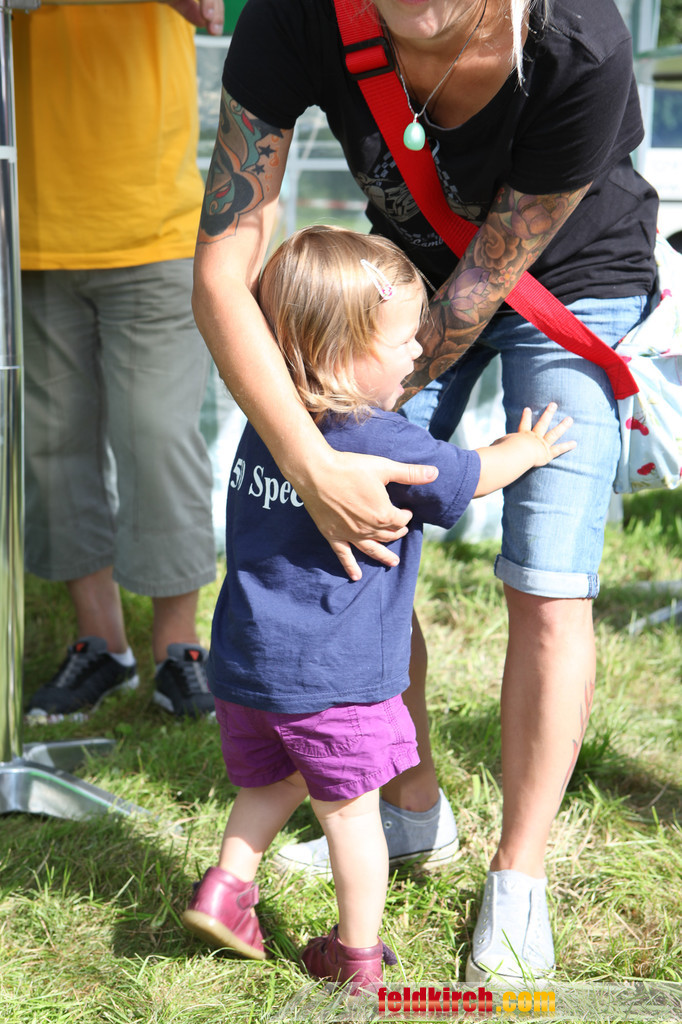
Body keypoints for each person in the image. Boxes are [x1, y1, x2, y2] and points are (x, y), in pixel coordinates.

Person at [191, 0, 658, 985]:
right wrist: (313, 460)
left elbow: (489, 279)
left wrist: (378, 423)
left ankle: (518, 876)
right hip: (394, 294)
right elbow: (224, 269)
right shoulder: (294, 16)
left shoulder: (580, 40)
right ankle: (405, 809)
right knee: (340, 531)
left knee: (547, 577)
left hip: (568, 284)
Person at [182, 225, 575, 994]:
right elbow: (469, 476)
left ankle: (226, 889)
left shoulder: (271, 428)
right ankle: (355, 958)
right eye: (402, 340)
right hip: (333, 677)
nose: (418, 352)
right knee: (353, 818)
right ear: (338, 353)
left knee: (273, 783)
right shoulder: (382, 437)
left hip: (247, 665)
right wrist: (524, 450)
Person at [15, 0, 225, 720]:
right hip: (33, 227)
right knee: (53, 445)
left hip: (152, 225)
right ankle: (101, 642)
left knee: (157, 435)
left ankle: (178, 647)